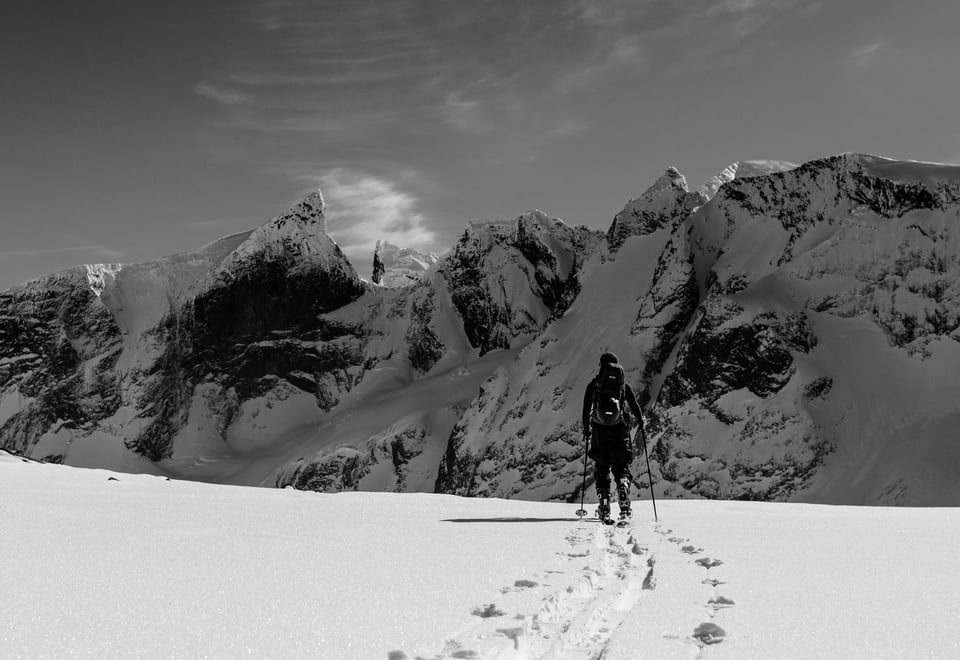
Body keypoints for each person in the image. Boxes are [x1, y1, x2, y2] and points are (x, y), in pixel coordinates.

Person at [582, 352, 645, 520]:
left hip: (599, 432)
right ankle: (623, 488)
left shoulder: (594, 385)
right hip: (620, 431)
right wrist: (641, 421)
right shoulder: (623, 386)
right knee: (621, 466)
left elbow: (586, 408)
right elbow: (634, 405)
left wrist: (586, 429)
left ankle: (604, 505)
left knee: (602, 468)